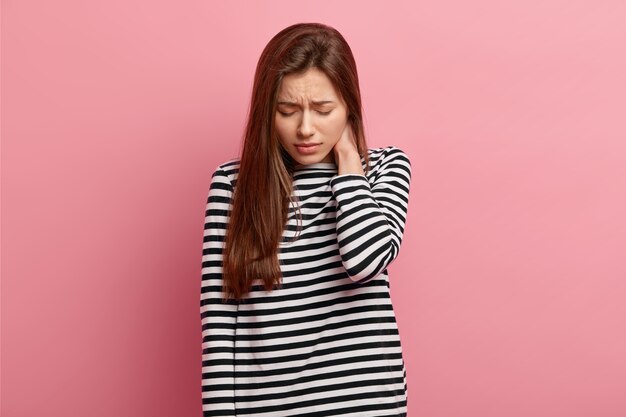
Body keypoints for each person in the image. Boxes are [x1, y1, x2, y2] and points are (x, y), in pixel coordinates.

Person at [200, 22, 412, 416]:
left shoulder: (385, 169)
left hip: (367, 403)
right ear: (268, 111)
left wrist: (349, 167)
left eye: (323, 109)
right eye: (287, 110)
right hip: (265, 407)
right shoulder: (233, 184)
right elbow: (219, 319)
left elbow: (364, 262)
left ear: (349, 105)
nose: (305, 128)